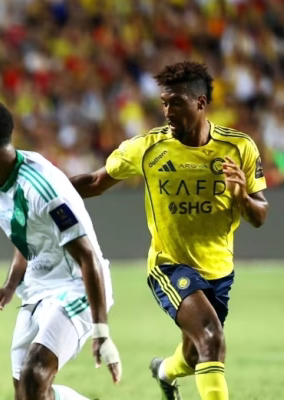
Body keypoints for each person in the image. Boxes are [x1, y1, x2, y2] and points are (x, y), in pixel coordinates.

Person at [69, 61, 269, 400]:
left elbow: (260, 215)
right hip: (170, 265)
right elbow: (95, 181)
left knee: (194, 354)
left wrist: (242, 198)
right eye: (163, 103)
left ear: (200, 103)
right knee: (211, 339)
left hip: (219, 270)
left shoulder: (239, 148)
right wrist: (41, 189)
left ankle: (163, 371)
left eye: (175, 102)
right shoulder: (148, 147)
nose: (167, 112)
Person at [0, 98, 122, 400]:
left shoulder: (42, 187)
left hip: (75, 287)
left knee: (34, 374)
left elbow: (88, 257)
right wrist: (9, 285)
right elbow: (26, 235)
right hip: (36, 288)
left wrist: (101, 331)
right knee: (26, 393)